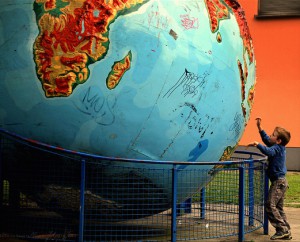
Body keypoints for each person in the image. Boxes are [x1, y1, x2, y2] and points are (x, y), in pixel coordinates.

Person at [248, 117, 292, 240]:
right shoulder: (278, 146)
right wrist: (259, 128)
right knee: (278, 207)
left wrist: (258, 144)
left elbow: (268, 151)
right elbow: (267, 140)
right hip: (281, 182)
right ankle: (286, 230)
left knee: (269, 205)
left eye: (273, 135)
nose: (270, 136)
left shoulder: (277, 149)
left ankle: (282, 229)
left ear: (278, 140)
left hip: (279, 183)